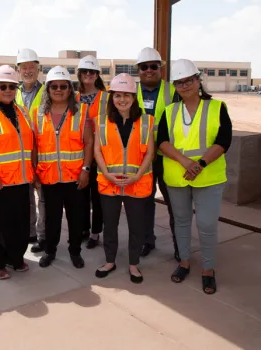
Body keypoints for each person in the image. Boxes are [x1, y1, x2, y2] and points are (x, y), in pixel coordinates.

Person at [158, 59, 232, 295]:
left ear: (198, 80)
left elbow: (224, 140)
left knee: (206, 224)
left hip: (208, 177)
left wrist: (199, 164)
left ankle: (208, 270)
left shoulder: (217, 107)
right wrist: (185, 162)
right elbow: (162, 141)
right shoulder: (170, 111)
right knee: (181, 222)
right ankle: (185, 263)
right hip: (177, 176)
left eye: (188, 80)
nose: (184, 85)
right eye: (179, 82)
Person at [94, 74, 154, 284]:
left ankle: (133, 264)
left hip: (136, 183)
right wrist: (108, 174)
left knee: (136, 226)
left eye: (126, 95)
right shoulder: (101, 121)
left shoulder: (146, 120)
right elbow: (97, 151)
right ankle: (110, 261)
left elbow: (150, 152)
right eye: (117, 95)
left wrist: (137, 175)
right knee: (109, 225)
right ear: (112, 98)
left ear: (134, 97)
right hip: (109, 183)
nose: (122, 100)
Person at [0, 65, 35, 280]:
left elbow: (30, 145)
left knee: (20, 221)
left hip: (20, 178)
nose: (8, 90)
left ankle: (16, 258)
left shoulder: (22, 111)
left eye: (12, 87)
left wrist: (34, 172)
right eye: (4, 86)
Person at [33, 66, 92, 269]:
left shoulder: (81, 112)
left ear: (70, 89)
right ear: (48, 89)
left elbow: (89, 143)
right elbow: (34, 146)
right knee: (51, 220)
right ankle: (50, 251)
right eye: (54, 86)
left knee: (76, 218)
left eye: (63, 86)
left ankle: (75, 251)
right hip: (49, 178)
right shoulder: (38, 114)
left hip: (75, 177)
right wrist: (35, 172)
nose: (59, 90)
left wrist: (86, 170)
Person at [135, 47, 181, 261]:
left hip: (167, 158)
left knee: (175, 204)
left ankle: (180, 246)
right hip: (142, 159)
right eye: (145, 67)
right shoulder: (131, 93)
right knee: (144, 203)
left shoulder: (173, 91)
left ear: (161, 69)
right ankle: (146, 240)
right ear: (139, 70)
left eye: (154, 66)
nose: (149, 70)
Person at [15, 48, 46, 253]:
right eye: (24, 67)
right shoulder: (12, 91)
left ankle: (43, 235)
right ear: (18, 70)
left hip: (44, 150)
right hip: (20, 152)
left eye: (31, 67)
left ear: (38, 69)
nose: (28, 71)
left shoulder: (47, 91)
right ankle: (30, 232)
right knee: (25, 197)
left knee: (43, 196)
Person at [76, 55, 108, 249]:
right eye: (85, 72)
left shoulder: (108, 97)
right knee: (80, 196)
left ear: (97, 75)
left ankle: (96, 232)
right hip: (79, 153)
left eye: (92, 72)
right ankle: (83, 228)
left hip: (101, 155)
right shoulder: (74, 97)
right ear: (80, 74)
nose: (89, 75)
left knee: (97, 197)